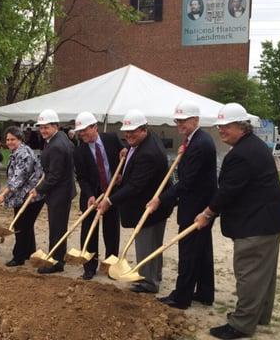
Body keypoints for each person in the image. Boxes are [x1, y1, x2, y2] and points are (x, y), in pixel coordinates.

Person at [195, 103, 280, 340]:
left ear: (242, 126)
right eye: (219, 126)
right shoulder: (253, 145)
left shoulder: (241, 154)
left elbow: (228, 191)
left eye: (226, 126)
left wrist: (207, 213)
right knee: (263, 274)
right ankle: (259, 316)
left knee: (249, 273)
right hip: (270, 220)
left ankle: (241, 324)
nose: (221, 131)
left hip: (256, 225)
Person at [147, 100, 217, 309]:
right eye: (178, 121)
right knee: (202, 250)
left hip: (196, 207)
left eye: (184, 121)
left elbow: (187, 182)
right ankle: (205, 292)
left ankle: (181, 297)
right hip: (199, 203)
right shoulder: (196, 140)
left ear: (195, 119)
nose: (180, 125)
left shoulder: (200, 143)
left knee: (188, 253)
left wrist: (161, 198)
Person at [97, 109, 173, 293]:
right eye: (126, 132)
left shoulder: (149, 153)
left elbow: (135, 186)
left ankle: (148, 282)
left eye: (133, 132)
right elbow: (135, 170)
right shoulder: (146, 140)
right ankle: (154, 276)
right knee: (153, 244)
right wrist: (126, 161)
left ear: (144, 129)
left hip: (148, 205)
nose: (128, 135)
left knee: (146, 244)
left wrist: (110, 201)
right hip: (155, 202)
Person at [73, 111, 123, 280]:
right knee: (89, 231)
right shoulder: (79, 151)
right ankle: (89, 267)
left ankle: (111, 266)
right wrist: (89, 195)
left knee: (112, 232)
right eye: (79, 132)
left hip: (111, 194)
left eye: (85, 130)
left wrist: (121, 174)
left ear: (95, 127)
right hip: (91, 198)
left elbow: (125, 156)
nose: (82, 134)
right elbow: (81, 177)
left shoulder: (112, 139)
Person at [30, 109, 76, 274]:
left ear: (55, 126)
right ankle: (57, 258)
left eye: (46, 127)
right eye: (41, 127)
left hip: (59, 193)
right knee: (58, 227)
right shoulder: (61, 138)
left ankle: (56, 262)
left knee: (57, 228)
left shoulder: (56, 145)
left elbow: (54, 176)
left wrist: (38, 190)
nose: (43, 131)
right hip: (64, 190)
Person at [0, 126, 44, 267]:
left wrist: (4, 194)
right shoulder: (16, 152)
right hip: (23, 195)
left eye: (13, 139)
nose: (9, 142)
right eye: (8, 139)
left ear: (20, 139)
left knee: (21, 226)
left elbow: (19, 178)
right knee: (25, 225)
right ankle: (29, 252)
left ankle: (18, 257)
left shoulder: (24, 154)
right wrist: (5, 192)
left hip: (31, 195)